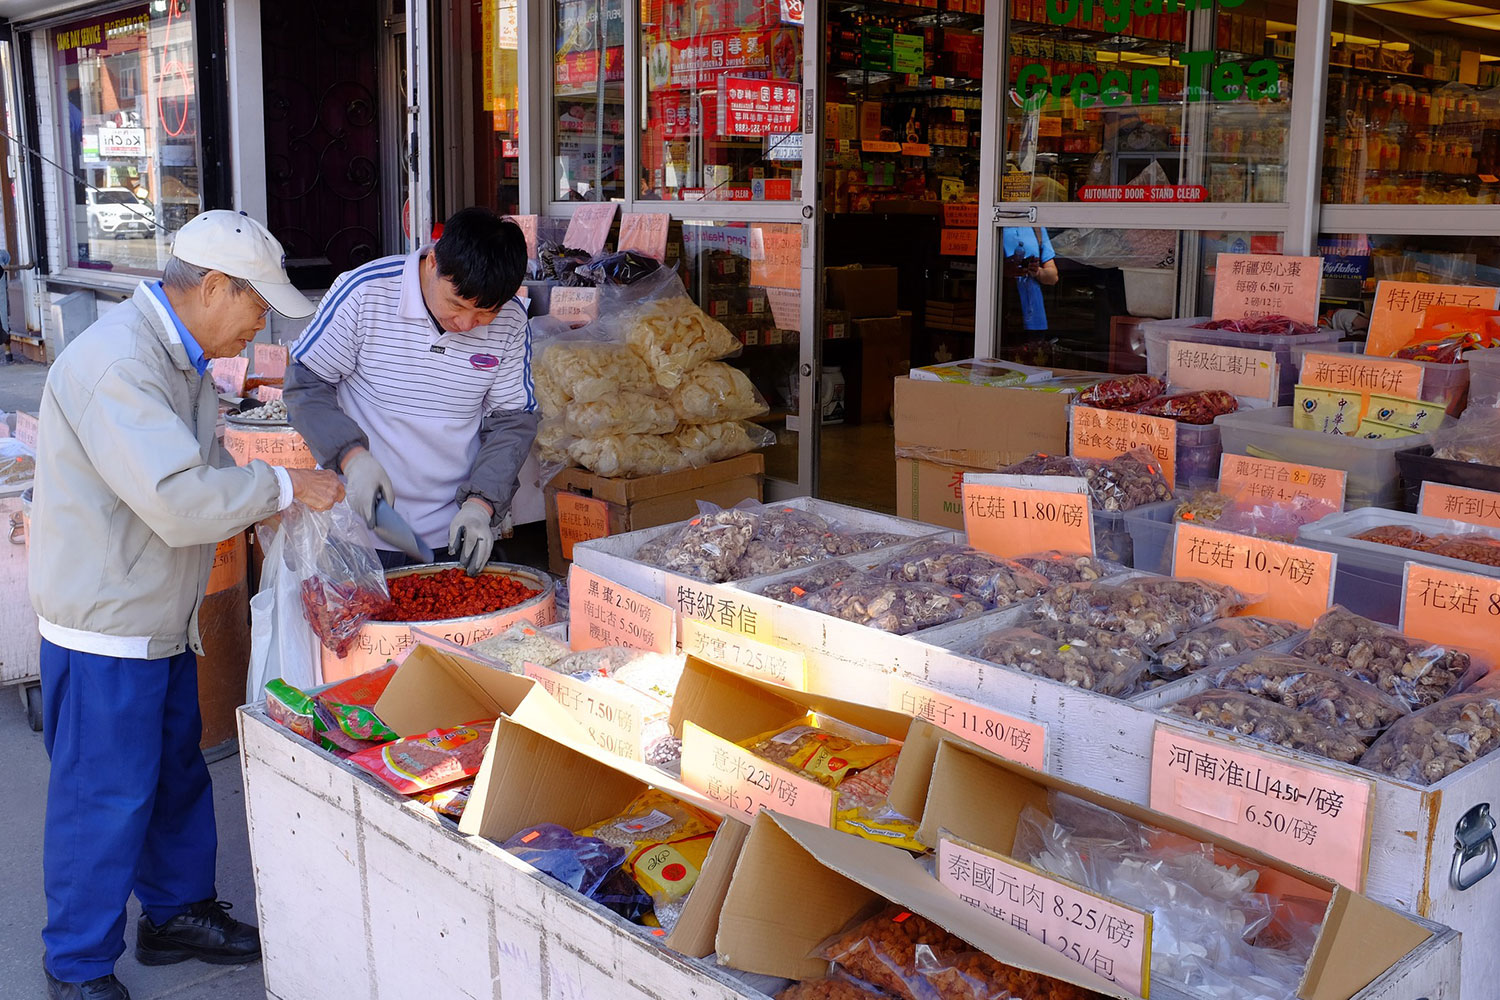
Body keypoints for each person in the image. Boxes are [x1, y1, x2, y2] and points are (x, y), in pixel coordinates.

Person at [29, 210, 346, 1000]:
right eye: (255, 304)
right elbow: (177, 498)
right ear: (211, 288)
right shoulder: (119, 365)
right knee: (100, 800)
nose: (261, 324)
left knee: (174, 776)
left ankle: (174, 916)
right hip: (106, 624)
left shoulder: (180, 355)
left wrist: (261, 497)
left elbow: (199, 472)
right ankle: (76, 964)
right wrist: (280, 485)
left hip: (156, 613)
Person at [285, 206, 535, 573]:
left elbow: (512, 422)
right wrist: (352, 459)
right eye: (456, 304)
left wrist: (481, 505)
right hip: (360, 528)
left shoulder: (512, 319)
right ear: (433, 261)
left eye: (485, 315)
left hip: (455, 532)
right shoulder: (366, 293)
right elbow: (306, 384)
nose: (466, 324)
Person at [1002, 226, 1060, 331]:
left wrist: (1037, 272)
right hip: (1000, 313)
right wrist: (1003, 270)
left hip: (1035, 317)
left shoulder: (1037, 228)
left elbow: (1053, 277)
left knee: (1035, 345)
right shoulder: (994, 226)